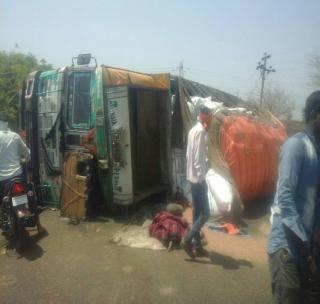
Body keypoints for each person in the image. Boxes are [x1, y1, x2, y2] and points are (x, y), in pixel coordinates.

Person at [268, 91, 320, 304]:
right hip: (287, 247)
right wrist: (304, 243)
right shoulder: (297, 146)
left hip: (308, 248)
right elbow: (285, 197)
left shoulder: (316, 151)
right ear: (316, 116)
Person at [0, 119, 47, 235]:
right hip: (18, 175)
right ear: (7, 125)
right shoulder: (15, 136)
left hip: (2, 178)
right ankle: (39, 226)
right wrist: (24, 159)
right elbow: (27, 152)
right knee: (30, 195)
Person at [181, 105, 212, 258]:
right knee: (206, 213)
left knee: (197, 212)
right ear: (203, 116)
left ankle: (198, 246)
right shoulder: (200, 132)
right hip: (198, 179)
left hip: (192, 178)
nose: (209, 119)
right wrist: (200, 177)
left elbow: (188, 155)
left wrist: (192, 174)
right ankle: (187, 240)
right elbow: (197, 157)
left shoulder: (192, 130)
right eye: (208, 116)